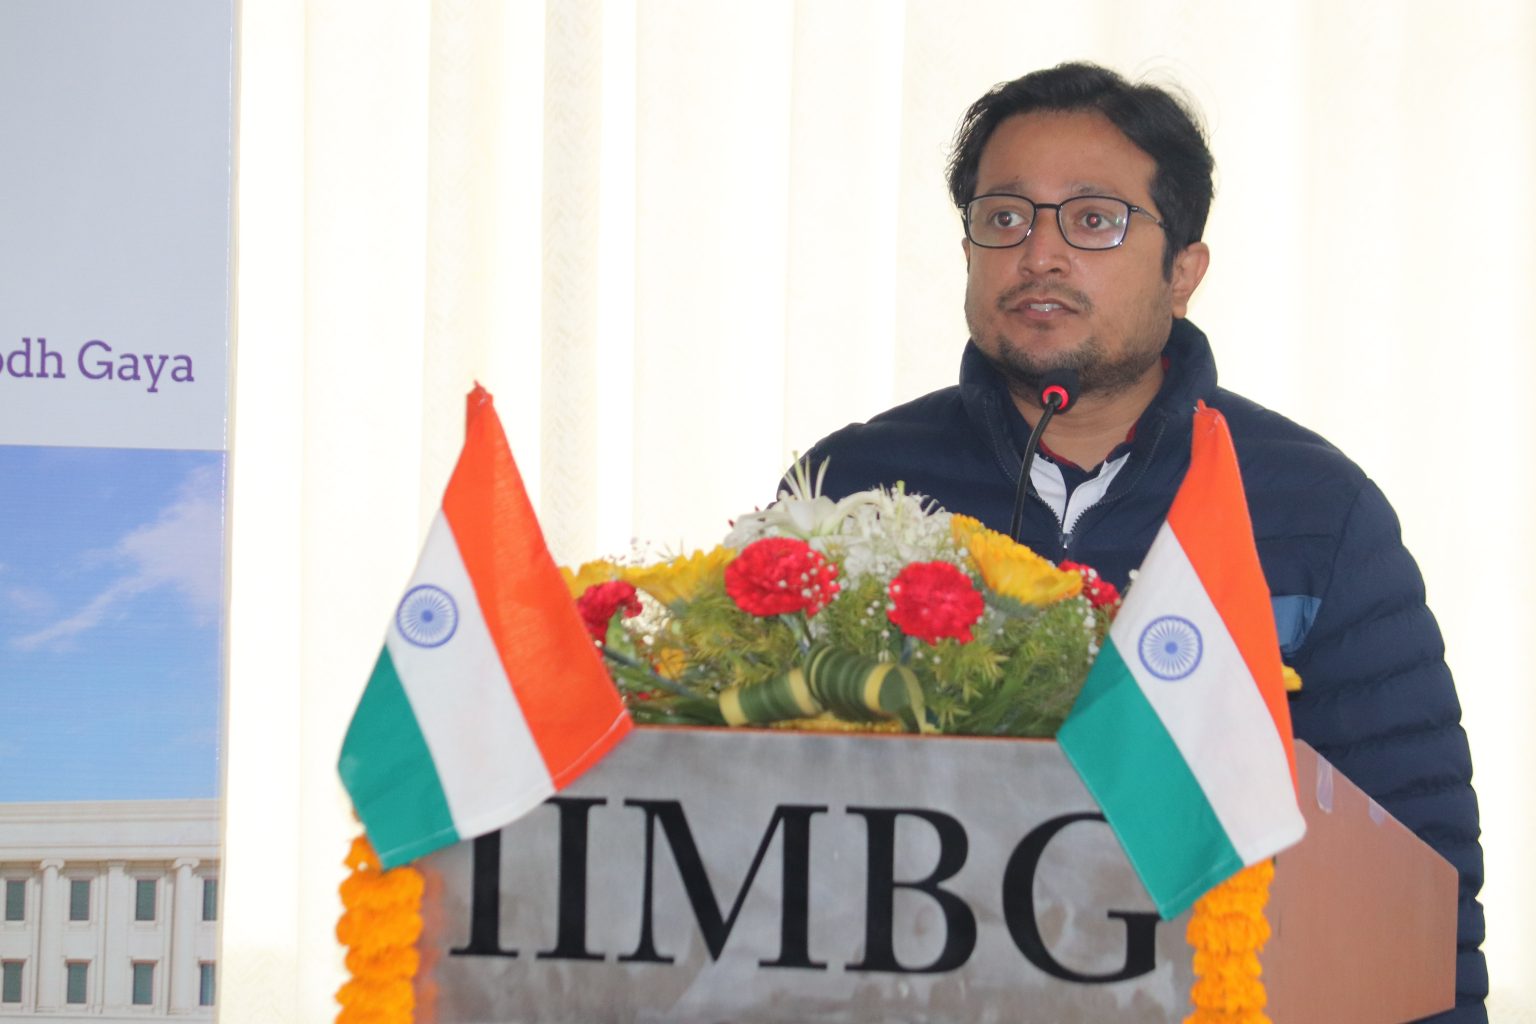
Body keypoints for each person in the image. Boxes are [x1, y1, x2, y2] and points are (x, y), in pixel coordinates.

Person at [796, 62, 1486, 1022]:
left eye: (1093, 220)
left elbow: (1417, 877)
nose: (1039, 254)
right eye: (1004, 217)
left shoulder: (1311, 508)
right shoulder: (854, 491)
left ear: (1184, 271)